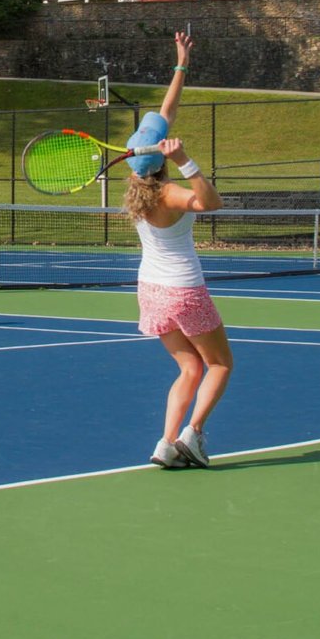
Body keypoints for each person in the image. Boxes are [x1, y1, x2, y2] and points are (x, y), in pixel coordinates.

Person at [121, 32, 230, 470]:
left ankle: (166, 443)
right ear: (163, 160)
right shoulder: (170, 194)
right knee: (220, 364)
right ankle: (194, 435)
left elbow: (165, 113)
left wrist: (181, 64)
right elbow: (211, 202)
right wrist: (186, 160)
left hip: (151, 292)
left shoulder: (137, 186)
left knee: (189, 368)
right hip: (184, 291)